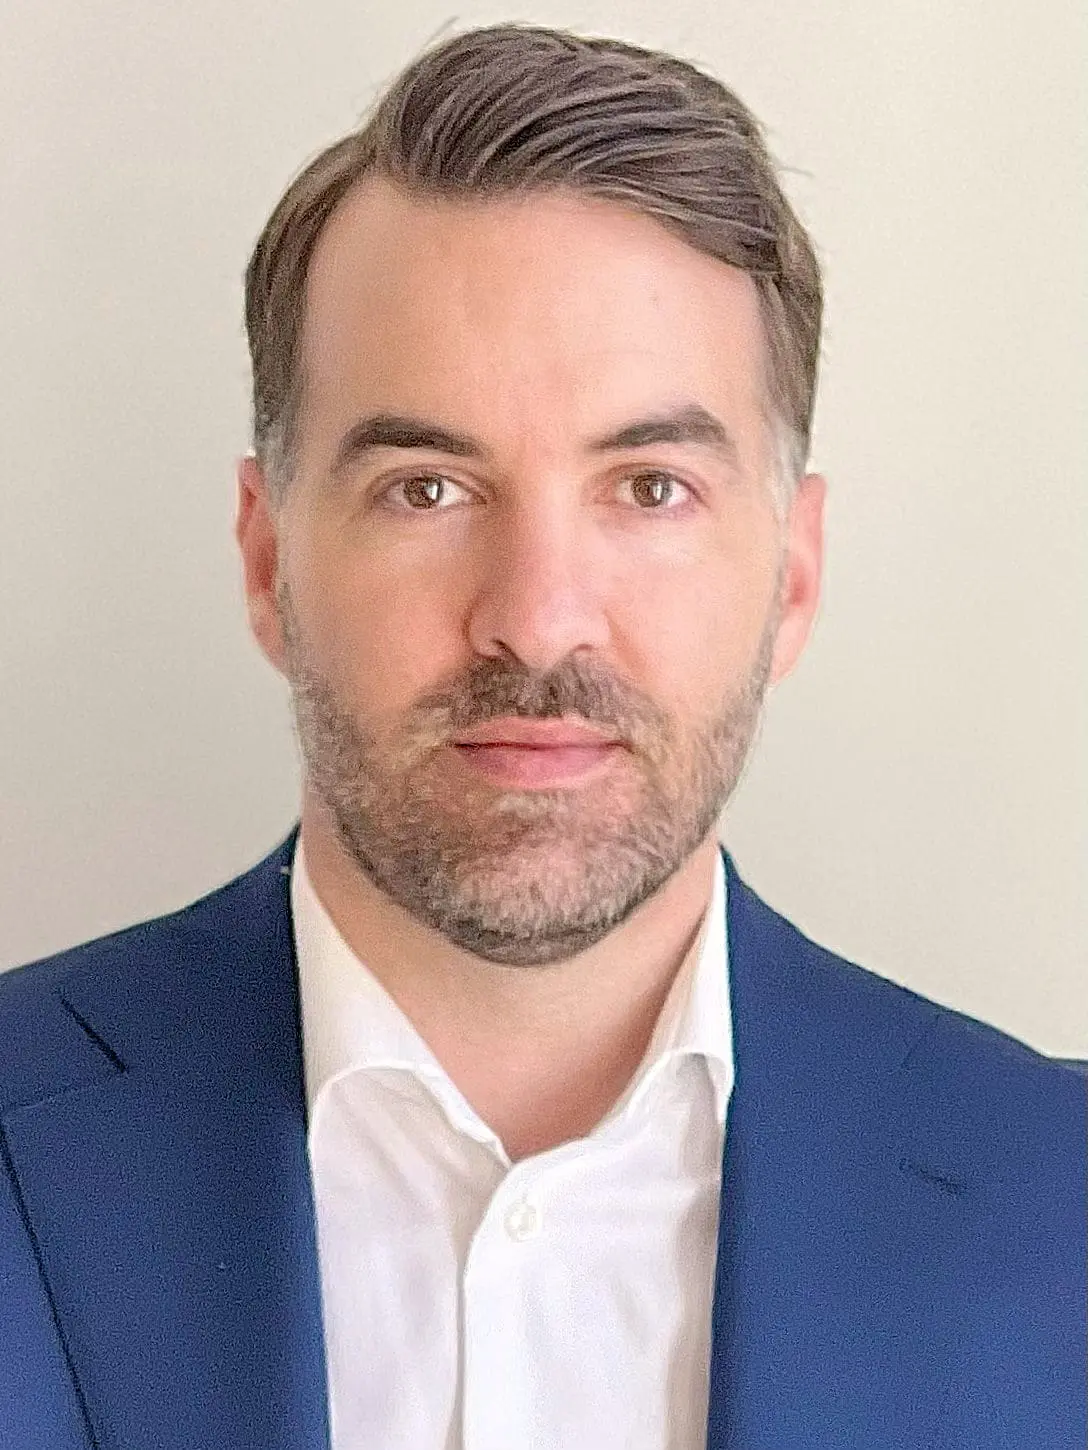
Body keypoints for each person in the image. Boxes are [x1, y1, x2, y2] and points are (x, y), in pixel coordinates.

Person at [1, 22, 1083, 1450]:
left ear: (796, 576)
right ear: (267, 561)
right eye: (429, 489)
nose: (540, 618)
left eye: (648, 487)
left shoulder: (1057, 1201)